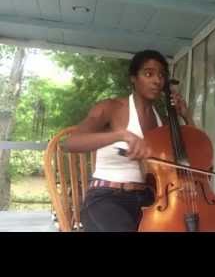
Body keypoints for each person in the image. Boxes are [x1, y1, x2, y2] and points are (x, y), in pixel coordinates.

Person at [64, 50, 194, 232]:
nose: (157, 80)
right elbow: (70, 143)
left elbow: (191, 158)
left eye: (161, 75)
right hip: (107, 198)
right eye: (148, 74)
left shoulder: (163, 123)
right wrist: (120, 135)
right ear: (133, 78)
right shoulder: (111, 108)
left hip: (149, 200)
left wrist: (186, 116)